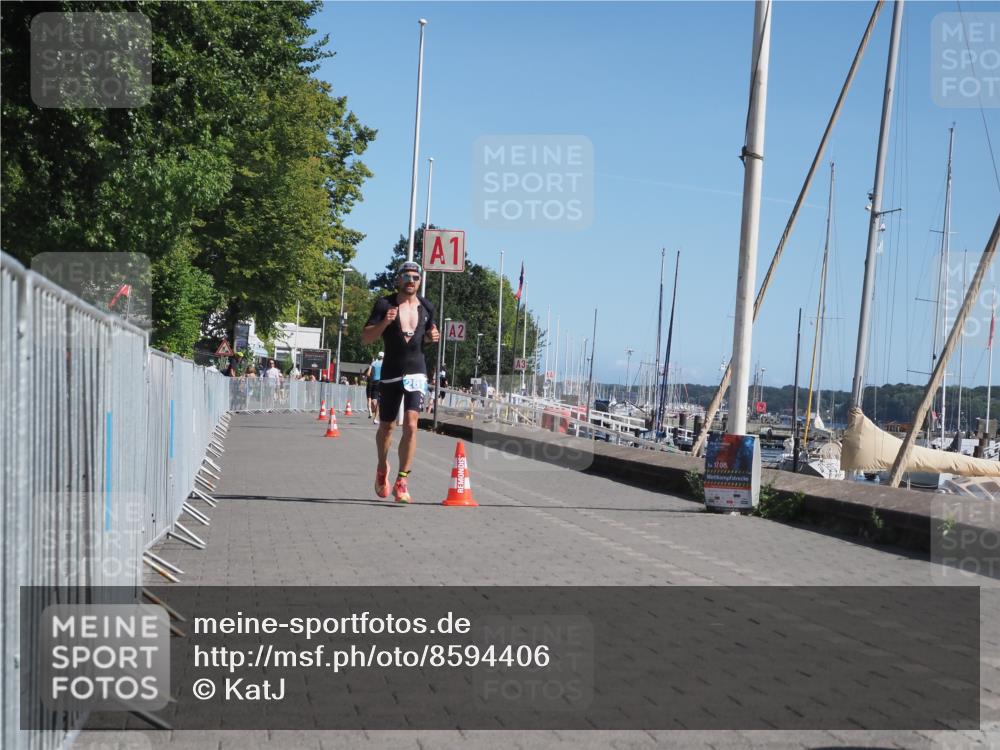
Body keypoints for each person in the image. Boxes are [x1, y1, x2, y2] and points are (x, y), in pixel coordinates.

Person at [361, 261, 439, 503]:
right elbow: (366, 338)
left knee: (412, 424)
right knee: (387, 428)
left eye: (415, 277)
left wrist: (431, 337)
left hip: (417, 371)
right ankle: (382, 467)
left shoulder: (427, 307)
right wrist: (385, 322)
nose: (411, 280)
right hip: (391, 371)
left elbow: (426, 336)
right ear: (398, 280)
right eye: (406, 276)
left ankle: (402, 480)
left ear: (420, 281)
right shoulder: (385, 304)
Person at [365, 351, 385, 424]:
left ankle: (373, 410)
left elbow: (368, 373)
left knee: (374, 401)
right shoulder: (384, 363)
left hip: (373, 382)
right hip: (381, 382)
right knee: (378, 402)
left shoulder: (373, 363)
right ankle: (376, 418)